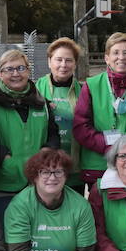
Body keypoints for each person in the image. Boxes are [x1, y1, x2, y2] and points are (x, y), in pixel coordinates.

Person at [73, 32, 126, 189]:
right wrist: (110, 148)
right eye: (116, 53)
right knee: (99, 210)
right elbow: (80, 126)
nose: (121, 57)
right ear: (107, 58)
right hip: (98, 162)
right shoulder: (91, 85)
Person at [0, 49, 60, 221]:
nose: (16, 74)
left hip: (37, 183)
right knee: (7, 238)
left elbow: (53, 134)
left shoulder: (40, 102)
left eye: (21, 68)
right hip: (4, 185)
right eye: (9, 69)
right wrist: (5, 160)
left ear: (28, 71)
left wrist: (47, 151)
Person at [36, 37, 85, 190]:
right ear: (49, 62)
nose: (63, 65)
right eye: (59, 60)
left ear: (75, 64)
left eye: (69, 60)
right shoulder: (35, 88)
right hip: (45, 165)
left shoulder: (84, 91)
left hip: (75, 167)